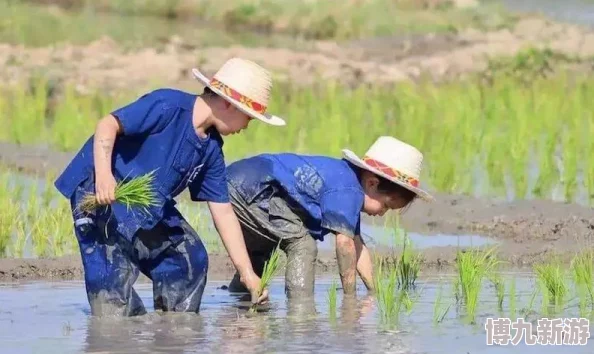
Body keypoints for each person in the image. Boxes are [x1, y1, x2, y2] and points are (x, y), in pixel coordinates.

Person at [53, 58, 286, 317]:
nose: (246, 127)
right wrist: (105, 176)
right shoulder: (167, 106)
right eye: (248, 118)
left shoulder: (211, 150)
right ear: (229, 104)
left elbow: (223, 212)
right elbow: (107, 124)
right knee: (113, 298)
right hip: (101, 194)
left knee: (188, 260)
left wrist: (247, 274)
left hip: (147, 204)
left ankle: (173, 329)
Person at [224, 136, 432, 298]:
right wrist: (350, 298)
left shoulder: (347, 182)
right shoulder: (348, 190)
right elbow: (345, 245)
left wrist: (373, 292)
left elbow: (358, 246)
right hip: (255, 188)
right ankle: (301, 310)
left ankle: (239, 296)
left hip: (240, 180)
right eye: (385, 205)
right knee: (302, 245)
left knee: (262, 252)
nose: (381, 213)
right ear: (372, 183)